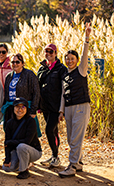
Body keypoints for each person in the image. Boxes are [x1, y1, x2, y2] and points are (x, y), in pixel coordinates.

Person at [59, 23, 92, 178]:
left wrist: (86, 38)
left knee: (75, 138)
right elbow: (63, 94)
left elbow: (85, 54)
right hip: (69, 109)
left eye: (72, 58)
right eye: (67, 58)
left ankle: (71, 166)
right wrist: (61, 111)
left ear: (77, 60)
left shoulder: (81, 69)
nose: (69, 60)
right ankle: (78, 163)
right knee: (71, 136)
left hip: (81, 106)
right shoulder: (65, 75)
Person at [37, 44, 67, 168]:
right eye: (46, 51)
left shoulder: (61, 68)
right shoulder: (42, 68)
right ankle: (54, 156)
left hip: (56, 107)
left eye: (51, 51)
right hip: (45, 106)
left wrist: (62, 109)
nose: (48, 53)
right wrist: (38, 105)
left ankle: (56, 156)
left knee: (49, 130)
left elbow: (65, 88)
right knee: (53, 131)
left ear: (55, 53)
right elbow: (38, 87)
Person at [2, 97, 42, 179]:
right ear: (13, 108)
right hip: (17, 150)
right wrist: (7, 159)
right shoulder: (9, 123)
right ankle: (23, 163)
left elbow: (27, 141)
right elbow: (7, 143)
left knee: (22, 146)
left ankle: (24, 171)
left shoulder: (31, 121)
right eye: (17, 107)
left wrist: (11, 142)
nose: (20, 110)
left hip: (33, 151)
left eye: (23, 107)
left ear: (27, 109)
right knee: (6, 168)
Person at [2, 53, 40, 131]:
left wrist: (33, 110)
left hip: (24, 109)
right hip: (11, 109)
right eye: (13, 62)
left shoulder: (29, 74)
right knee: (11, 132)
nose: (15, 64)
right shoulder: (8, 76)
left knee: (24, 132)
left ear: (22, 63)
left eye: (17, 62)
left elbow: (36, 93)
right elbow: (6, 95)